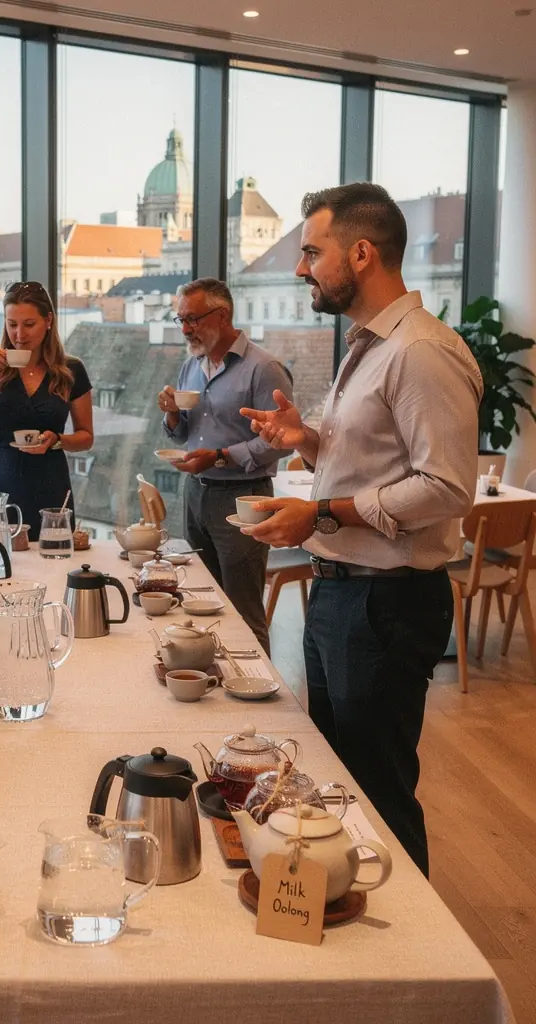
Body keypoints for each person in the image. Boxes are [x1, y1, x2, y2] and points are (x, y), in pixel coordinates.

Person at [240, 182, 482, 876]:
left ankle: (416, 965)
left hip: (387, 601)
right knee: (339, 784)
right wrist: (308, 440)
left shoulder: (421, 352)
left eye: (312, 251)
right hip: (345, 594)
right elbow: (374, 465)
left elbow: (445, 488)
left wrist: (321, 512)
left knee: (378, 794)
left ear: (363, 253)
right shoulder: (370, 346)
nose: (299, 267)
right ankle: (357, 934)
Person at [157, 278, 293, 654]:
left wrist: (220, 457)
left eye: (193, 319)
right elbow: (185, 433)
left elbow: (278, 441)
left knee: (244, 609)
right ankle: (216, 681)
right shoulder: (191, 366)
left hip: (243, 497)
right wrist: (170, 416)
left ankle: (260, 692)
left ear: (223, 315)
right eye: (179, 320)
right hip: (196, 494)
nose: (185, 329)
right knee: (201, 598)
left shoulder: (264, 369)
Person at [0, 281, 94, 539]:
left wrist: (57, 441)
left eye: (28, 325)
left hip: (49, 483)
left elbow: (86, 437)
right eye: (11, 324)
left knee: (52, 564)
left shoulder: (72, 370)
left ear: (48, 320)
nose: (19, 335)